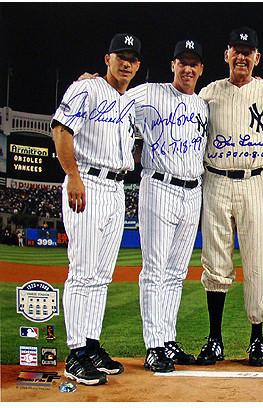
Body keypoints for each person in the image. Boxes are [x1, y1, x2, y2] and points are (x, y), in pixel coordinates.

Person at [51, 33, 142, 386]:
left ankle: (90, 344)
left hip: (116, 187)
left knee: (102, 275)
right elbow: (61, 130)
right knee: (84, 270)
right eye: (121, 55)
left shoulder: (128, 101)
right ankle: (75, 353)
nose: (126, 63)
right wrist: (72, 175)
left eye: (133, 59)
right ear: (107, 58)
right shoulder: (85, 89)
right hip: (87, 181)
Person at [196, 27, 263, 366]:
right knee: (215, 261)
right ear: (227, 54)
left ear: (257, 57)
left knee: (257, 262)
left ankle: (257, 338)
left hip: (257, 180)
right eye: (236, 50)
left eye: (249, 51)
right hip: (215, 180)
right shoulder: (209, 92)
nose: (242, 56)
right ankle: (214, 338)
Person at [126, 39, 208, 372]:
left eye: (194, 63)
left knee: (176, 273)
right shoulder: (148, 92)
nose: (188, 68)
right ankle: (154, 345)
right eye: (182, 62)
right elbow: (114, 100)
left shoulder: (203, 105)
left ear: (201, 69)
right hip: (159, 185)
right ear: (172, 65)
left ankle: (167, 340)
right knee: (155, 270)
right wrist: (92, 81)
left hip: (193, 192)